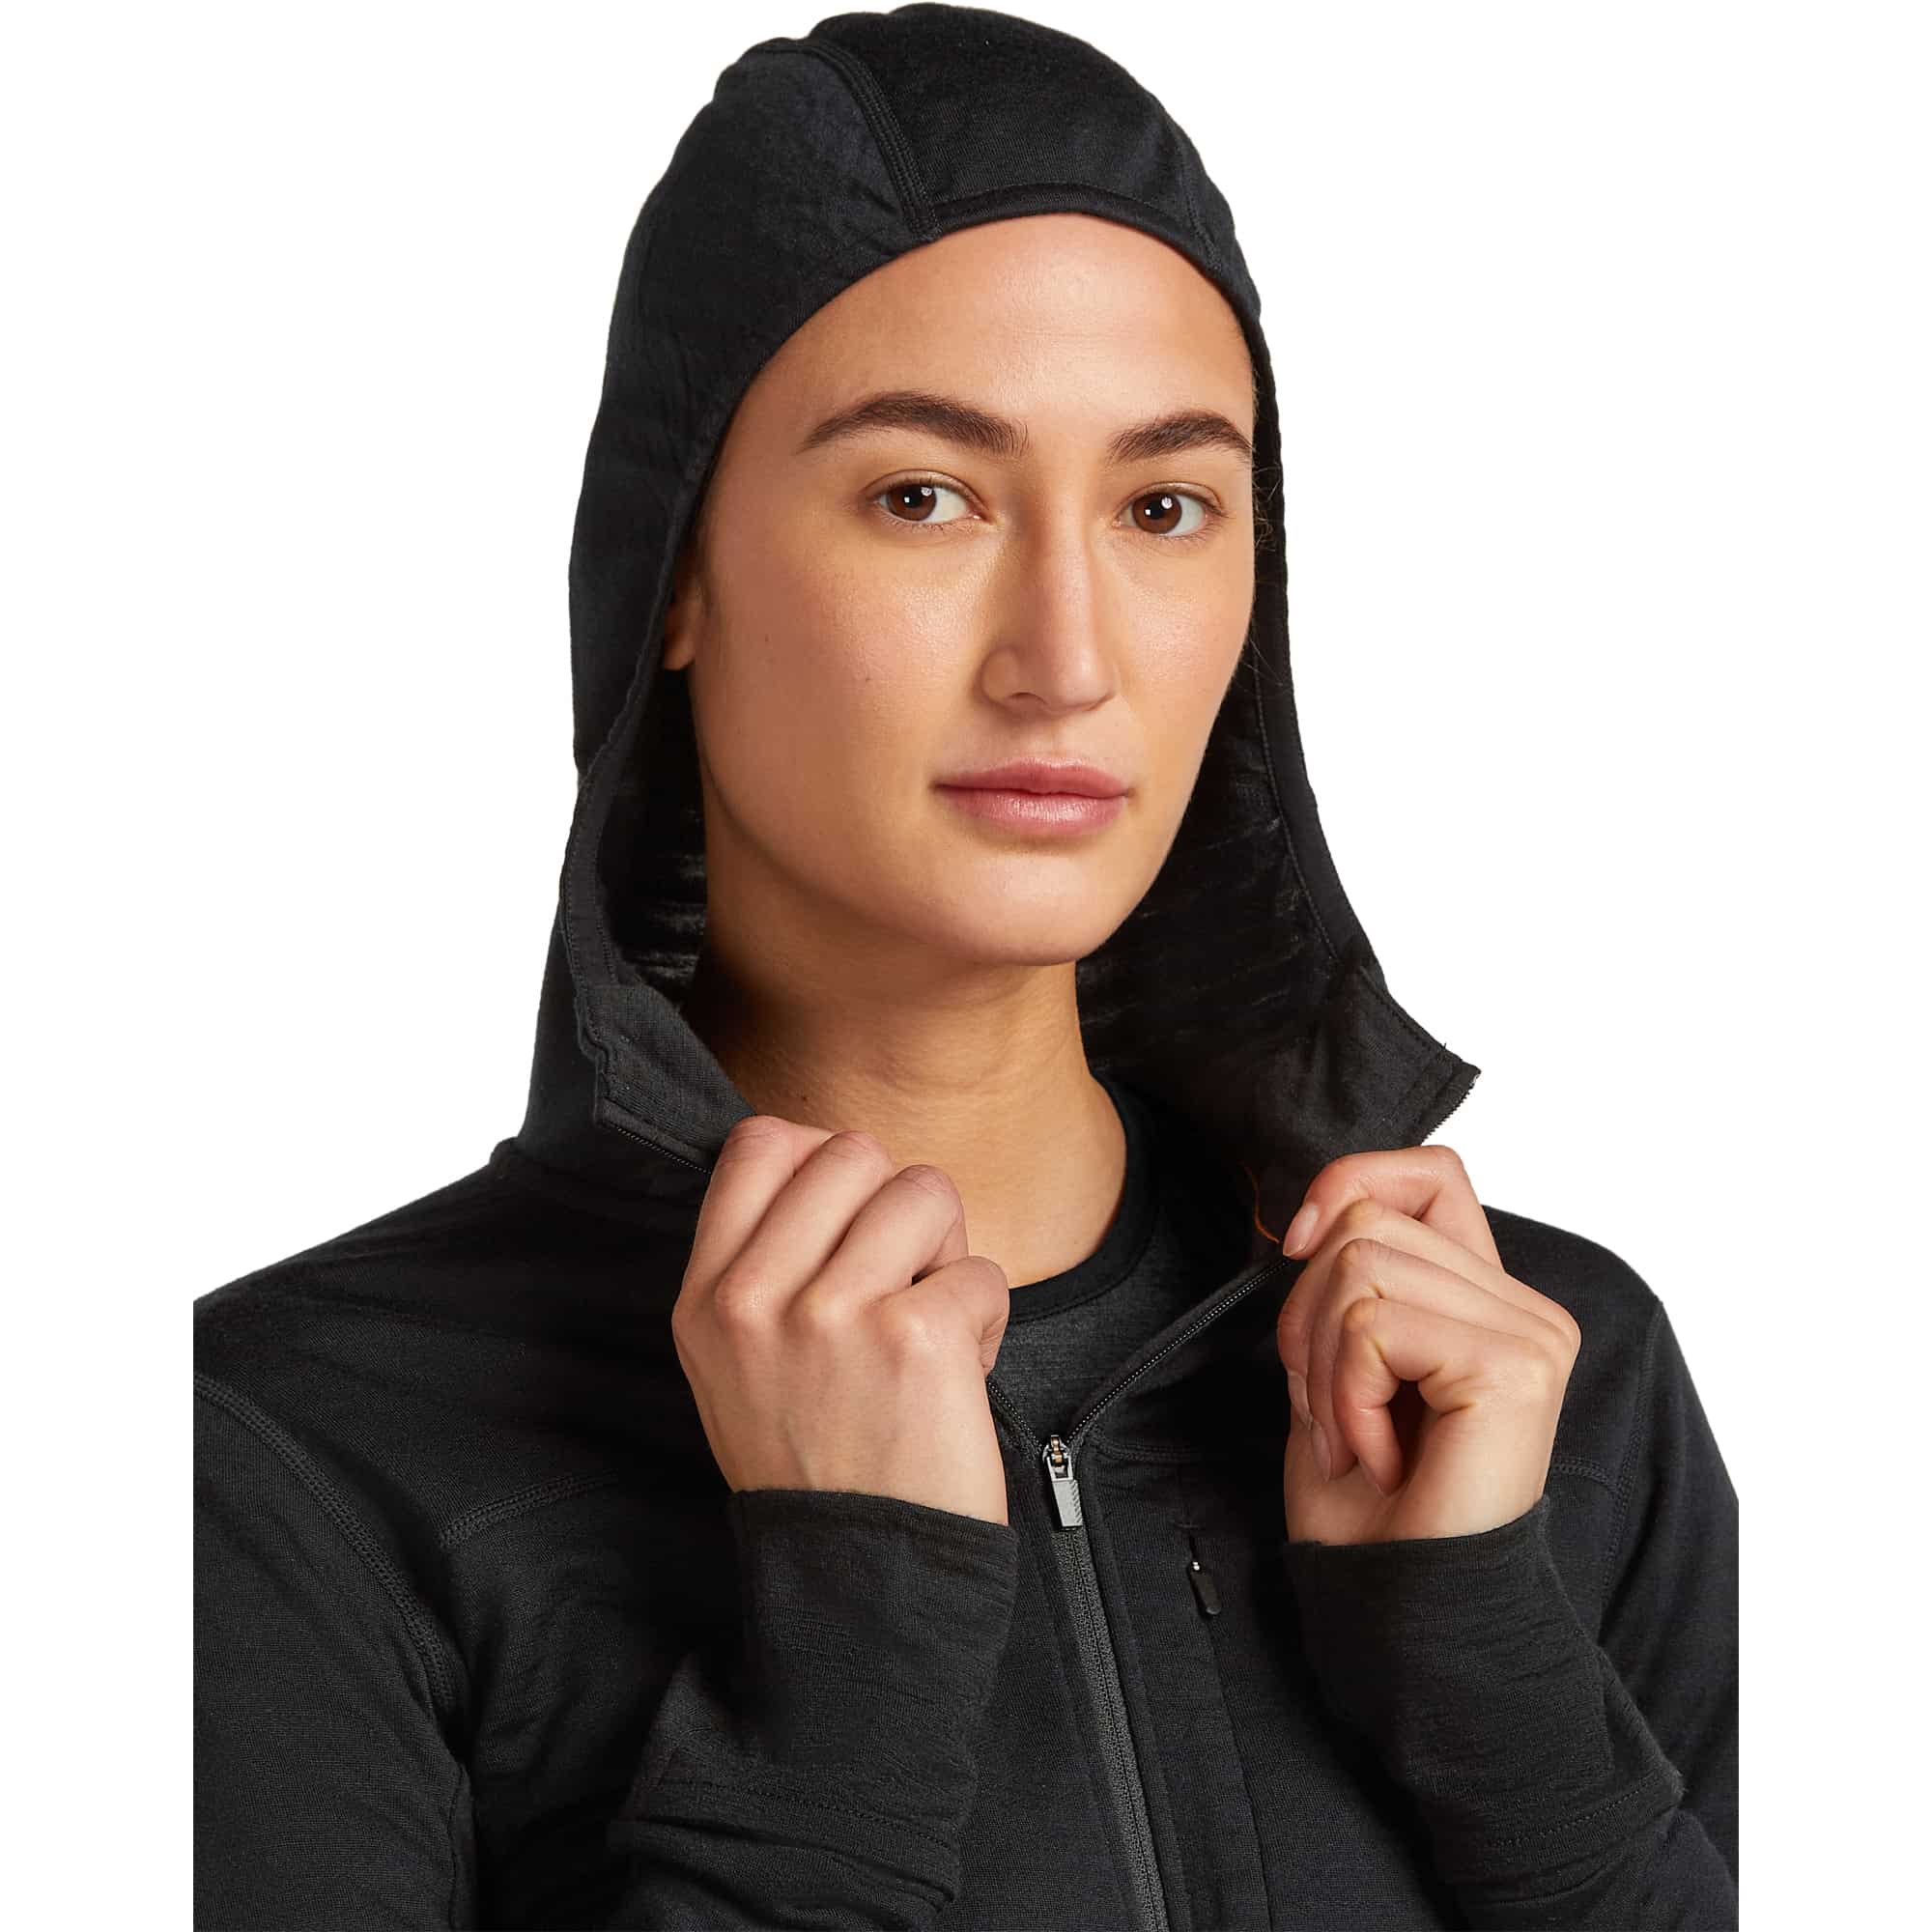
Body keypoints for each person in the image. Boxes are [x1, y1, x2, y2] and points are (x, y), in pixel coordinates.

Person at [193, 6, 1740, 1927]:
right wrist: (851, 1640)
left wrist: (1490, 1675)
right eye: (923, 494)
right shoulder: (293, 1458)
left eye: (1164, 507)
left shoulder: (1536, 1388)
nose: (1066, 657)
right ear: (673, 570)